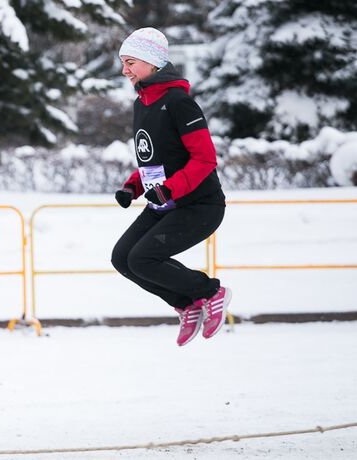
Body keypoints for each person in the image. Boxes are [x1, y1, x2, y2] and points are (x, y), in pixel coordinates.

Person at [110, 27, 231, 347]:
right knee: (122, 258)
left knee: (143, 258)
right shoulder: (142, 104)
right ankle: (187, 304)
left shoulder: (179, 102)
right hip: (165, 203)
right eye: (123, 62)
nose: (125, 70)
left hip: (200, 205)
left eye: (131, 62)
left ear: (152, 62)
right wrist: (132, 187)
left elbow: (204, 159)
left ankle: (210, 292)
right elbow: (155, 160)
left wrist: (170, 189)